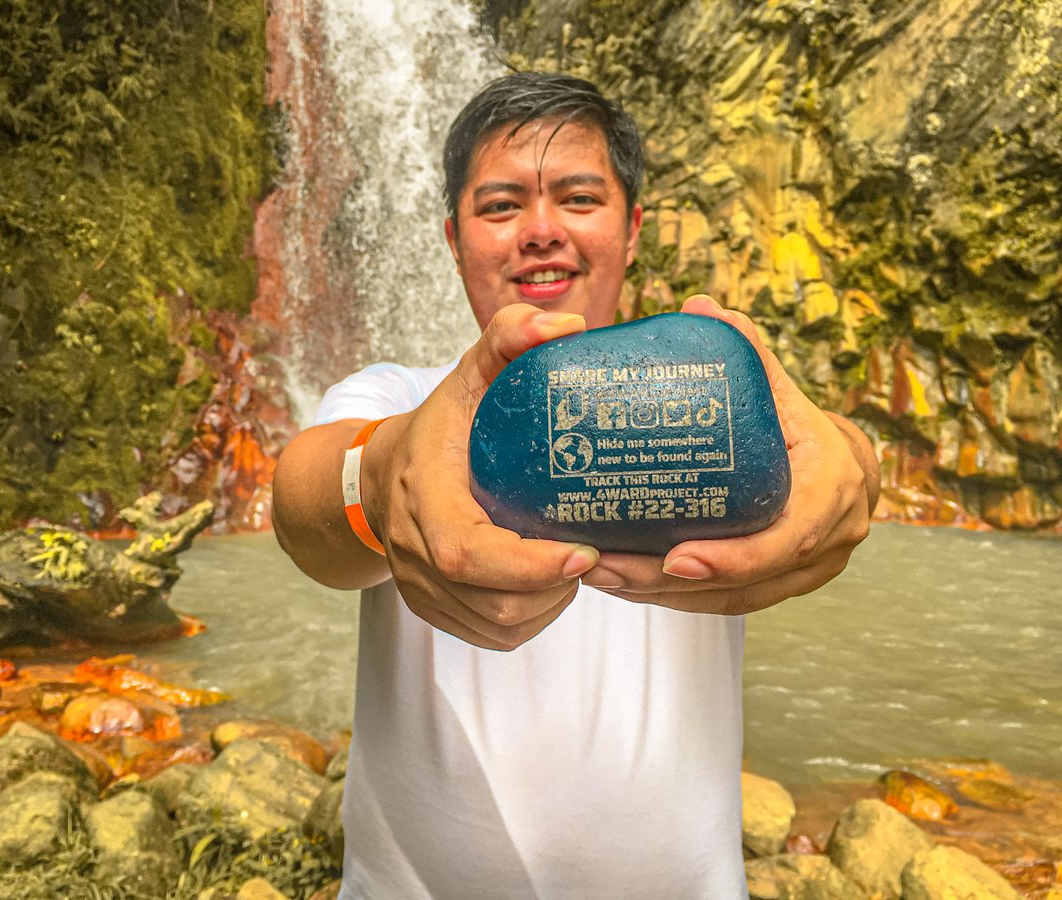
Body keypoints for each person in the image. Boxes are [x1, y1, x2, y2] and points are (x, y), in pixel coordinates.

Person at [273, 72, 879, 899]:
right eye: (500, 207)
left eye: (578, 197)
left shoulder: (701, 402)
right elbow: (303, 504)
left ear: (633, 230)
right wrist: (380, 481)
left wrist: (853, 475)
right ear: (452, 239)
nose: (541, 231)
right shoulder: (400, 400)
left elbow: (828, 445)